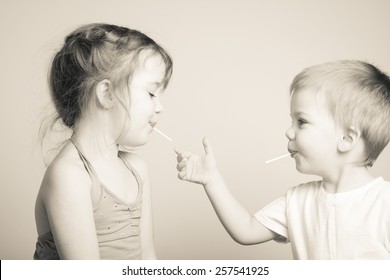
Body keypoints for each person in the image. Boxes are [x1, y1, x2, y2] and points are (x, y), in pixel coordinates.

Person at [175, 60, 390, 259]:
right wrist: (212, 180)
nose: (288, 132)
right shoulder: (297, 201)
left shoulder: (384, 204)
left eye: (302, 121)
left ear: (346, 139)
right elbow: (246, 231)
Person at [34, 23, 173, 259]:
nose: (160, 108)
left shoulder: (137, 170)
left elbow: (148, 260)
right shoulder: (71, 176)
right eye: (151, 94)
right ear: (107, 93)